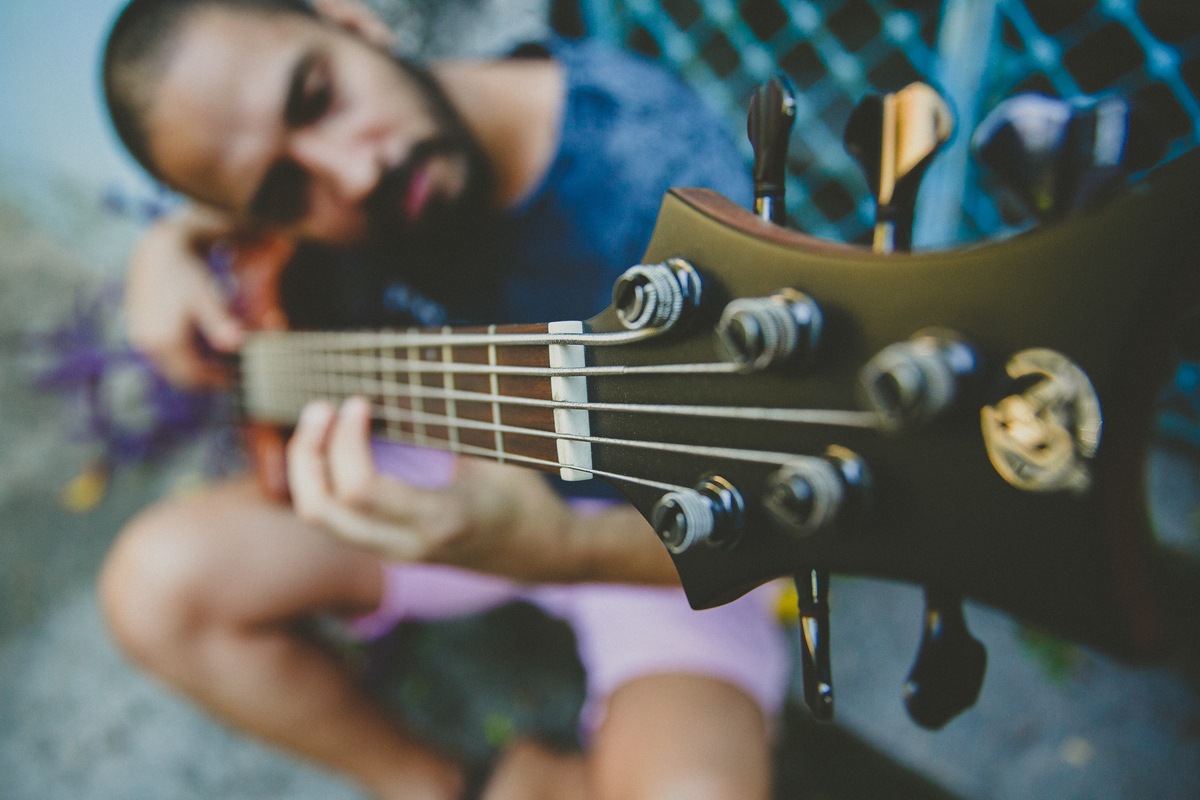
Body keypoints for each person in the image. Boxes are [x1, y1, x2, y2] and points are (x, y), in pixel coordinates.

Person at [97, 1, 788, 798]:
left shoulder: (660, 192)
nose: (354, 174)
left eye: (317, 95)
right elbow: (252, 147)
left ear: (355, 23)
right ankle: (445, 786)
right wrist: (170, 244)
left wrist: (557, 545)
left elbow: (772, 518)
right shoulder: (365, 149)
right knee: (157, 590)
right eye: (284, 191)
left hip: (659, 533)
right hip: (454, 459)